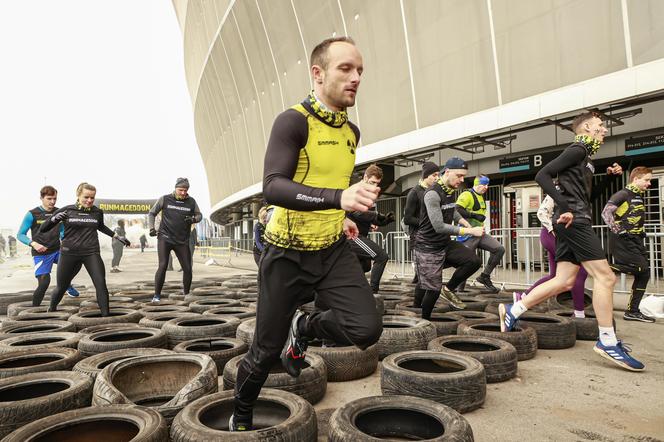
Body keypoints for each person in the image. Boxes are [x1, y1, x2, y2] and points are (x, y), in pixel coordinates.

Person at [231, 37, 382, 432]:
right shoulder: (293, 121)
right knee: (264, 352)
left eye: (360, 70)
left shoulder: (352, 131)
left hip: (332, 249)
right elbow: (274, 186)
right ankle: (240, 414)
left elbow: (327, 175)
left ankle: (305, 327)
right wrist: (339, 198)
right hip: (285, 253)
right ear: (318, 74)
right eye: (345, 69)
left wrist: (341, 214)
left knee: (366, 329)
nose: (356, 78)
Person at [499, 111, 645, 371]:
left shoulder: (586, 157)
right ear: (586, 127)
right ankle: (607, 341)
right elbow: (542, 175)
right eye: (600, 126)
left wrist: (609, 178)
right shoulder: (577, 149)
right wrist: (565, 207)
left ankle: (514, 310)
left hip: (574, 218)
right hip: (574, 220)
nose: (605, 130)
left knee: (564, 280)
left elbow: (585, 196)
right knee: (606, 277)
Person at [42, 182, 130, 315]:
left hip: (91, 252)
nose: (89, 201)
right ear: (78, 195)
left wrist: (117, 236)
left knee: (101, 284)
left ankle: (106, 318)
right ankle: (51, 310)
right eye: (86, 197)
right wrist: (53, 219)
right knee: (62, 286)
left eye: (92, 198)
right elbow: (43, 229)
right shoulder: (67, 210)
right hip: (68, 254)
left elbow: (101, 226)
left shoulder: (97, 212)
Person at [414, 157, 483, 318]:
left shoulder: (450, 191)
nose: (462, 179)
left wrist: (464, 222)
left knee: (473, 261)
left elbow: (452, 210)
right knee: (432, 289)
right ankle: (425, 321)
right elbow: (439, 226)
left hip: (444, 244)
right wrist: (470, 232)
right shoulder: (432, 194)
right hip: (427, 247)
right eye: (459, 175)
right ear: (448, 172)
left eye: (463, 176)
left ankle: (449, 289)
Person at [513, 194, 588, 318]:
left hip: (561, 237)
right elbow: (541, 212)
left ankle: (522, 296)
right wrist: (554, 229)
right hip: (552, 236)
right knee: (580, 272)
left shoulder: (577, 190)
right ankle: (579, 314)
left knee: (554, 276)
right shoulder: (559, 189)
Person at [602, 166, 654, 323]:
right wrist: (620, 231)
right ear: (635, 179)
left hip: (636, 240)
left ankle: (632, 311)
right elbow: (606, 212)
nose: (649, 183)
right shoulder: (623, 194)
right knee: (641, 268)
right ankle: (601, 267)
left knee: (644, 273)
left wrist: (641, 232)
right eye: (646, 180)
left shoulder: (637, 196)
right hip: (623, 239)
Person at [17, 185, 80, 306]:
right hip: (41, 254)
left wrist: (66, 240)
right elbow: (20, 234)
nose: (52, 201)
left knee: (78, 261)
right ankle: (34, 311)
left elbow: (62, 231)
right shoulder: (32, 214)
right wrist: (33, 244)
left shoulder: (60, 212)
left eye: (55, 199)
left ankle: (66, 284)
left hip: (58, 251)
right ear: (41, 198)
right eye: (49, 198)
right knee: (44, 283)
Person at [148, 178, 202, 302]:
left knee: (187, 268)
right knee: (163, 265)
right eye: (181, 190)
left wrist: (193, 219)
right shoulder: (165, 199)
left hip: (182, 240)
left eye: (186, 190)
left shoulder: (191, 201)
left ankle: (186, 294)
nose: (183, 192)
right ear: (175, 188)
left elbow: (199, 215)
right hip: (165, 238)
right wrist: (152, 228)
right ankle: (156, 296)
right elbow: (152, 213)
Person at [347, 164, 395, 293]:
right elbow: (357, 213)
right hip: (351, 236)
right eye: (372, 182)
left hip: (361, 234)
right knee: (381, 256)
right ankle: (372, 293)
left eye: (377, 183)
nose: (374, 186)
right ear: (365, 177)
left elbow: (369, 218)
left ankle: (347, 288)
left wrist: (384, 220)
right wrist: (377, 216)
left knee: (365, 266)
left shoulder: (370, 194)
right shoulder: (356, 190)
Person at [455, 175, 505, 293]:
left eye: (487, 185)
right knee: (466, 262)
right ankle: (458, 290)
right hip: (467, 235)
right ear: (477, 184)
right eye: (484, 185)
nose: (486, 187)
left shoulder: (480, 197)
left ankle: (484, 276)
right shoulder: (466, 195)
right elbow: (457, 210)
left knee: (499, 249)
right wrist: (474, 215)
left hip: (480, 233)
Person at [403, 161, 440, 304]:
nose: (437, 178)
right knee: (424, 276)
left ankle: (422, 303)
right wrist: (427, 223)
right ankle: (417, 305)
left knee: (427, 275)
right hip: (418, 238)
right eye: (434, 175)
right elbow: (407, 218)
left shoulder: (435, 192)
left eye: (438, 175)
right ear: (425, 176)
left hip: (433, 238)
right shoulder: (414, 192)